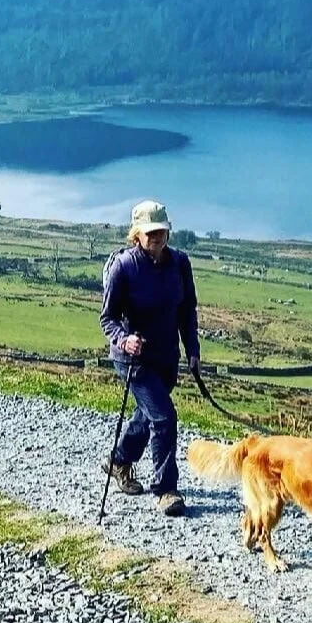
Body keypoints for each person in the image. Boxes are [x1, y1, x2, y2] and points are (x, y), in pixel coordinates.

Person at [99, 199, 200, 516]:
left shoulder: (180, 264)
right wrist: (124, 339)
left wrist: (193, 350)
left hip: (166, 357)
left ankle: (118, 460)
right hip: (133, 359)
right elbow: (107, 318)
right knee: (163, 417)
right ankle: (166, 490)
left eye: (162, 231)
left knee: (148, 413)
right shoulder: (124, 267)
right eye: (150, 232)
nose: (157, 237)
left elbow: (187, 311)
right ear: (136, 234)